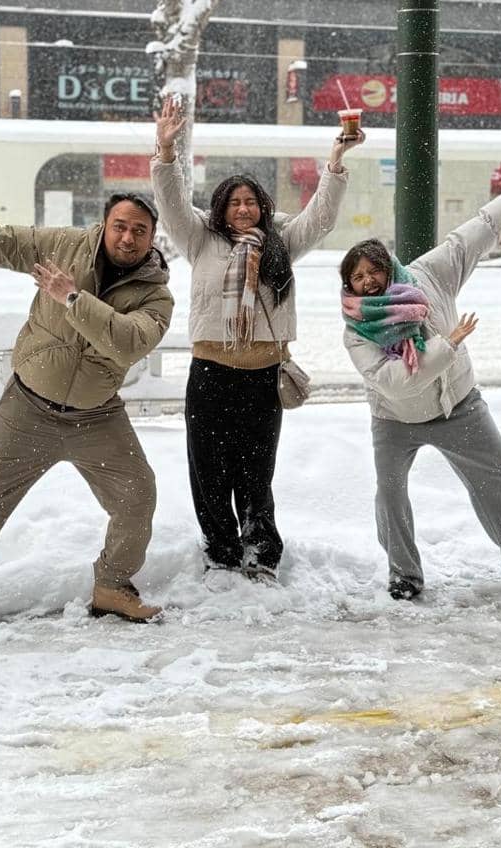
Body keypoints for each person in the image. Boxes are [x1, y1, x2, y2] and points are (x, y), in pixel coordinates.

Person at [0, 189, 173, 642]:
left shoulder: (156, 296)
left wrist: (72, 298)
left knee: (137, 494)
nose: (128, 237)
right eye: (120, 226)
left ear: (152, 236)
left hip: (96, 416)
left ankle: (112, 585)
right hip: (28, 410)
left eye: (139, 231)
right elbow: (0, 241)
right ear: (104, 225)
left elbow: (127, 342)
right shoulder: (64, 246)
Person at [151, 96, 363, 582]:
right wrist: (165, 152)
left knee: (256, 472)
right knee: (208, 472)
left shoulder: (281, 243)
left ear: (262, 207)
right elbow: (171, 203)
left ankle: (262, 552)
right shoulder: (199, 238)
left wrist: (335, 163)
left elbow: (321, 218)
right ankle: (221, 552)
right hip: (210, 373)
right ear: (221, 208)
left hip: (263, 377)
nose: (243, 209)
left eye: (250, 202)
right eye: (234, 202)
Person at [340, 164, 501, 601]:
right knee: (390, 495)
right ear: (348, 284)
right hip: (395, 418)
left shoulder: (429, 275)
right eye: (358, 277)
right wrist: (448, 345)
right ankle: (404, 575)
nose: (367, 282)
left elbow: (468, 239)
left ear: (389, 268)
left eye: (373, 271)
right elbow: (395, 382)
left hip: (458, 404)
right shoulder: (356, 330)